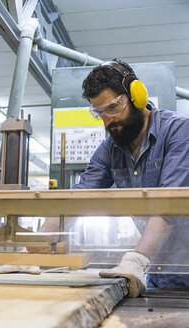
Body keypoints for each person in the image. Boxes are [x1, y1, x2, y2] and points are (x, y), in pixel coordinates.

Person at [72, 59, 189, 297]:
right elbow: (77, 198)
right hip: (159, 276)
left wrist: (135, 260)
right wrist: (31, 251)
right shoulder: (110, 149)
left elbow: (170, 206)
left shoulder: (178, 132)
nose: (107, 121)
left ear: (136, 96)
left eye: (113, 108)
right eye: (99, 113)